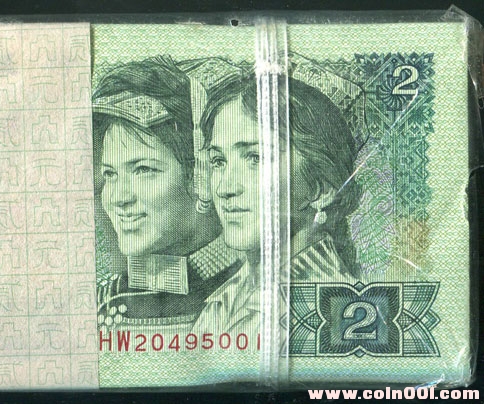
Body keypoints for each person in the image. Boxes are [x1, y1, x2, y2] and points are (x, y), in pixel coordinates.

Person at [190, 76, 363, 334]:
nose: (224, 188)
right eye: (219, 161)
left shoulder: (329, 313)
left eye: (255, 158)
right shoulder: (224, 301)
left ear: (321, 189)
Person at [92, 56, 239, 329]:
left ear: (201, 175)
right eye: (110, 174)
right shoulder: (102, 302)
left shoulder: (253, 296)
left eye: (143, 170)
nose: (119, 198)